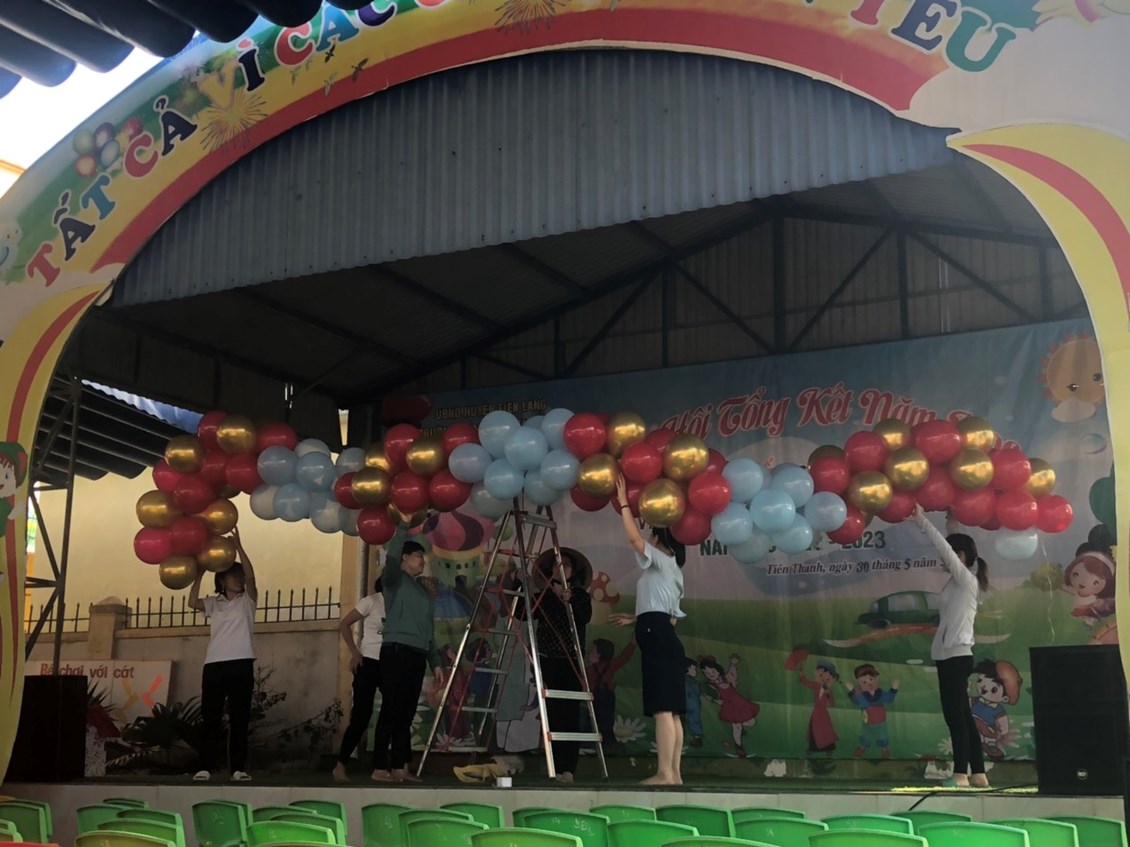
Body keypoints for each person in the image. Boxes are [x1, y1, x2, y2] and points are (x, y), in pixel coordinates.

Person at [609, 474, 687, 786]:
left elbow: (633, 539)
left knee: (663, 709)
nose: (649, 540)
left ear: (660, 539)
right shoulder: (674, 571)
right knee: (672, 711)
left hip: (657, 637)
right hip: (662, 634)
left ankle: (665, 773)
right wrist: (636, 618)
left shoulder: (662, 559)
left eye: (653, 535)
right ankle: (674, 774)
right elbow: (670, 617)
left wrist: (624, 504)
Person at [911, 503, 990, 788]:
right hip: (950, 657)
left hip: (956, 657)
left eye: (950, 556)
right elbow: (952, 547)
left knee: (955, 716)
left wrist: (921, 520)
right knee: (962, 716)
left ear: (961, 557)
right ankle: (978, 773)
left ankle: (960, 774)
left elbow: (946, 549)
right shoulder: (962, 582)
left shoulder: (965, 580)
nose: (942, 560)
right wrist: (952, 523)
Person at [370, 522, 443, 782]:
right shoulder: (394, 580)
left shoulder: (423, 592)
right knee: (392, 707)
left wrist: (435, 661)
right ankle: (380, 767)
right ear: (404, 558)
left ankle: (400, 767)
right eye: (418, 555)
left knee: (406, 711)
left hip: (417, 653)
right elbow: (390, 559)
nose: (422, 560)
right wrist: (401, 526)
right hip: (396, 650)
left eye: (422, 556)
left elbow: (428, 629)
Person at [188, 527, 257, 782]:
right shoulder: (213, 603)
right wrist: (200, 572)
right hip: (215, 665)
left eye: (240, 576)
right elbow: (192, 602)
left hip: (241, 663)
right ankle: (204, 767)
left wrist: (239, 547)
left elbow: (251, 576)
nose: (239, 580)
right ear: (222, 580)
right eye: (233, 576)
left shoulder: (247, 600)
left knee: (240, 718)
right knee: (211, 718)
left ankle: (237, 769)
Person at [529, 547, 593, 783]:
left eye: (565, 565)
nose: (561, 568)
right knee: (552, 714)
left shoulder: (580, 596)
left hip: (571, 662)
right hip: (548, 660)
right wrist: (516, 584)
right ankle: (554, 766)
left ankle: (569, 769)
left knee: (570, 714)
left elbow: (585, 616)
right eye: (557, 565)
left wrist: (570, 599)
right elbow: (522, 614)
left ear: (573, 571)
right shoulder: (543, 596)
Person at [332, 576, 385, 782]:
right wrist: (355, 653)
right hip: (368, 662)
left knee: (391, 715)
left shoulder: (402, 604)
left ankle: (382, 766)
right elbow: (345, 624)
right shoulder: (371, 601)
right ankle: (340, 765)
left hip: (390, 663)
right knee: (361, 716)